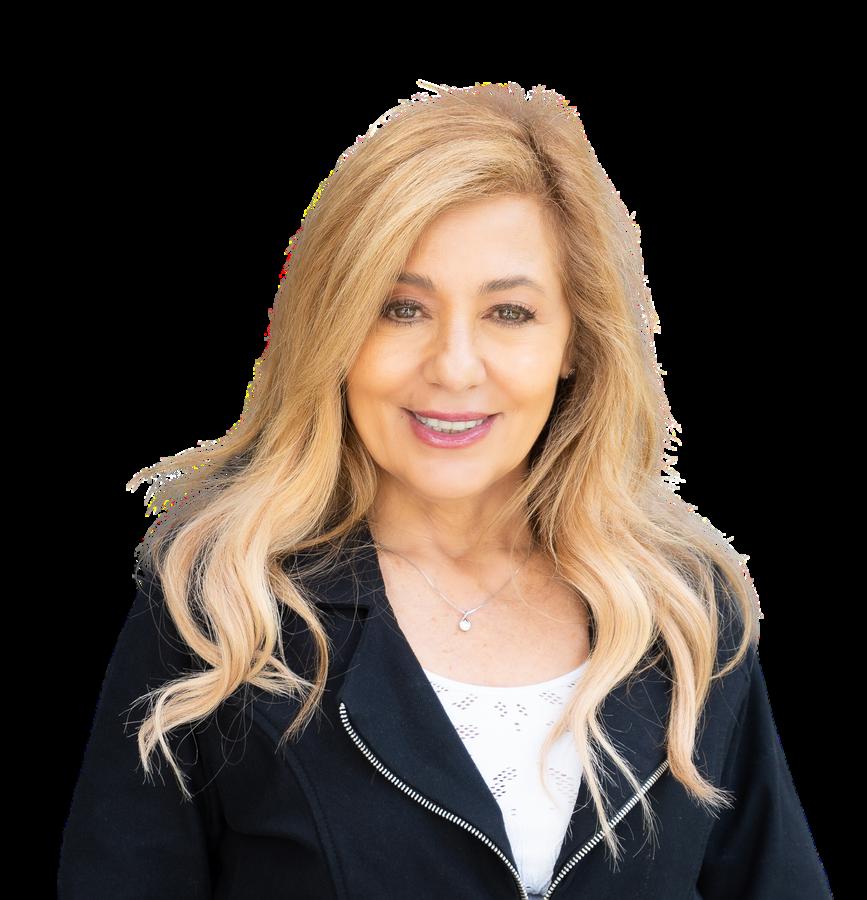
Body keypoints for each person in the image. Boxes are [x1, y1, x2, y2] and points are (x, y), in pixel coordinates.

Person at [58, 80, 833, 898]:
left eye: (509, 313)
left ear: (575, 342)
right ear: (335, 329)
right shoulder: (218, 604)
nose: (454, 368)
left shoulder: (684, 613)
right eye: (401, 308)